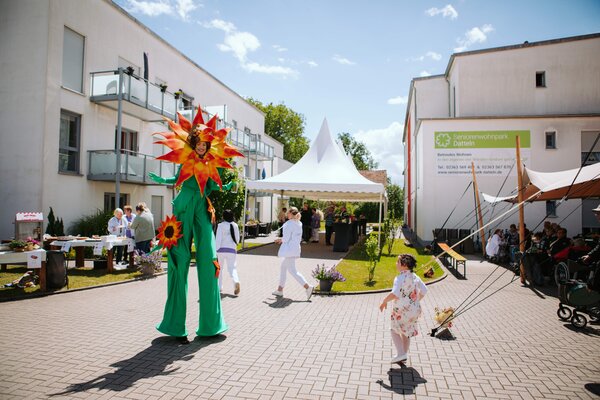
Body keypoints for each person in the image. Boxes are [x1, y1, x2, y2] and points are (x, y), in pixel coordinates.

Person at [149, 109, 242, 344]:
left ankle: (211, 324)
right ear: (193, 144)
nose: (201, 147)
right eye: (198, 144)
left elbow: (211, 187)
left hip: (201, 209)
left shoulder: (211, 164)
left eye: (205, 144)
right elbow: (177, 180)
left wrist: (227, 184)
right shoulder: (187, 162)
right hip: (183, 208)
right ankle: (175, 326)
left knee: (209, 260)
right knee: (179, 262)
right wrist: (163, 180)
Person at [379, 254, 428, 364]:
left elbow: (394, 294)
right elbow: (424, 290)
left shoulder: (399, 278)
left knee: (393, 330)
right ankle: (403, 355)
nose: (396, 263)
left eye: (398, 261)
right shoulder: (415, 277)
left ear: (404, 265)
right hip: (414, 311)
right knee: (406, 332)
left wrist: (384, 301)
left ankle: (401, 353)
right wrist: (416, 301)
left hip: (401, 311)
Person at [272, 207, 314, 300]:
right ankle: (280, 290)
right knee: (283, 268)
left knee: (292, 271)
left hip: (289, 250)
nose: (287, 214)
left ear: (291, 213)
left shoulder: (289, 223)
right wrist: (282, 239)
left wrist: (279, 240)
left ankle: (308, 287)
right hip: (294, 249)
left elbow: (286, 238)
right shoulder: (299, 223)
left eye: (288, 212)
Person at [216, 209, 241, 295]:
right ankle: (236, 281)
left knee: (220, 269)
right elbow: (237, 239)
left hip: (221, 250)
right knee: (232, 268)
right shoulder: (235, 225)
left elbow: (218, 239)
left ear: (223, 217)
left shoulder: (220, 225)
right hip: (232, 250)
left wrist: (216, 250)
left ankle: (219, 287)